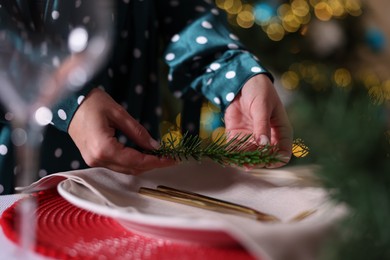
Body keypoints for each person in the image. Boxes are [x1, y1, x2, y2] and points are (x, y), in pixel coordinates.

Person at [0, 0, 292, 195]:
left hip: (128, 181)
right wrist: (69, 102)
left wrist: (235, 75)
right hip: (19, 165)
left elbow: (184, 11)